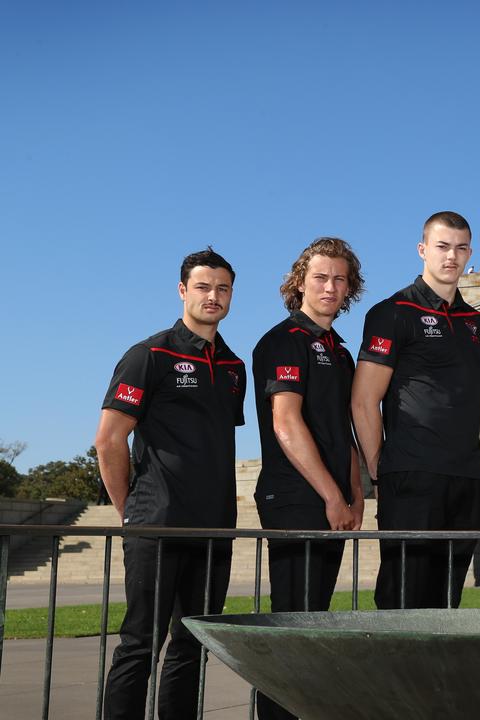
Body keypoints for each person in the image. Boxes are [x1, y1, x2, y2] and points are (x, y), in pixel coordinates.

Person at [94, 247, 245, 719]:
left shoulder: (234, 366)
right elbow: (109, 440)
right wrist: (132, 509)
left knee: (191, 646)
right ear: (183, 291)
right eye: (203, 287)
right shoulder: (148, 355)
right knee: (140, 644)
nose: (213, 296)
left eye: (222, 289)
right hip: (156, 525)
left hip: (214, 530)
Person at [251, 237, 365, 719]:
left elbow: (346, 427)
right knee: (290, 633)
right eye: (320, 277)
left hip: (334, 501)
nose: (330, 287)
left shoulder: (339, 350)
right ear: (300, 282)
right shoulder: (282, 340)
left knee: (314, 624)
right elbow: (286, 424)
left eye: (340, 279)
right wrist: (332, 495)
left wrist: (357, 494)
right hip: (296, 499)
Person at [351, 211, 480, 609]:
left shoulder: (476, 323)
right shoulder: (392, 312)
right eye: (443, 247)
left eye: (461, 248)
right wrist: (380, 468)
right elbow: (363, 400)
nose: (452, 256)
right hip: (411, 475)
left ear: (470, 254)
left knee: (447, 603)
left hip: (465, 477)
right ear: (423, 250)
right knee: (402, 599)